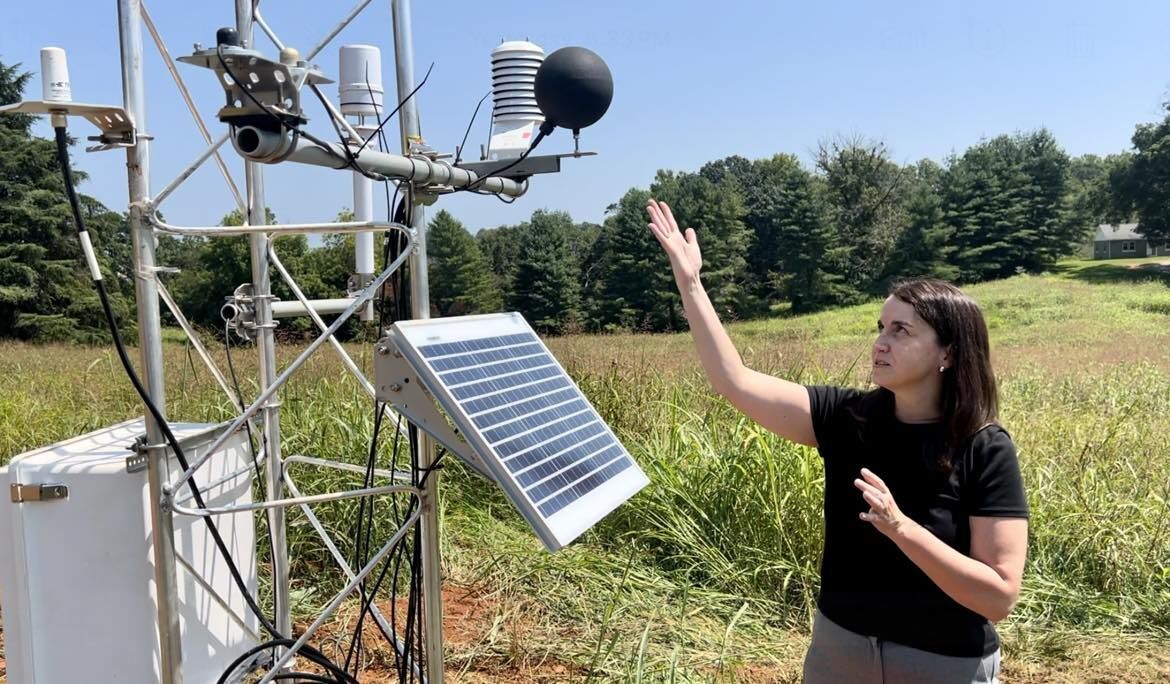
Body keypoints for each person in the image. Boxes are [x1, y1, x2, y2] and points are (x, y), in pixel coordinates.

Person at [645, 199, 1029, 684]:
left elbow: (997, 597)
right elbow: (735, 381)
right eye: (880, 328)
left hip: (941, 663)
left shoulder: (984, 447)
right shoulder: (846, 417)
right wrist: (691, 283)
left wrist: (900, 528)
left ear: (947, 353)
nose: (880, 343)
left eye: (901, 330)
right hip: (839, 650)